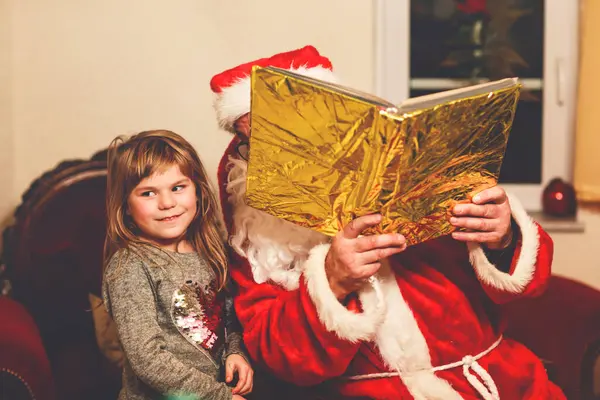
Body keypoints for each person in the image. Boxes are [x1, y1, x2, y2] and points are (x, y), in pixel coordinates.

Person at [210, 45, 565, 399]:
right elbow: (284, 361)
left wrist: (502, 237)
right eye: (260, 141)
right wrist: (332, 280)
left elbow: (527, 285)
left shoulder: (405, 173)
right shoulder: (255, 234)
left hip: (500, 383)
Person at [102, 130, 253, 400]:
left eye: (177, 187)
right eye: (148, 193)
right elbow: (147, 359)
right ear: (126, 205)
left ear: (197, 190)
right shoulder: (130, 266)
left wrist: (235, 352)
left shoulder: (211, 250)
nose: (167, 203)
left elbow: (230, 320)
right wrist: (220, 397)